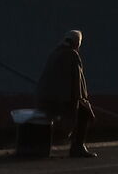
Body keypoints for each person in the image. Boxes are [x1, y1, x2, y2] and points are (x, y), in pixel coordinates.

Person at [37, 29, 95, 158]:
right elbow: (77, 83)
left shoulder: (54, 53)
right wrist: (83, 101)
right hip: (61, 101)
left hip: (45, 100)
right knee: (85, 114)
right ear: (77, 43)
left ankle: (44, 144)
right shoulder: (73, 55)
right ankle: (78, 147)